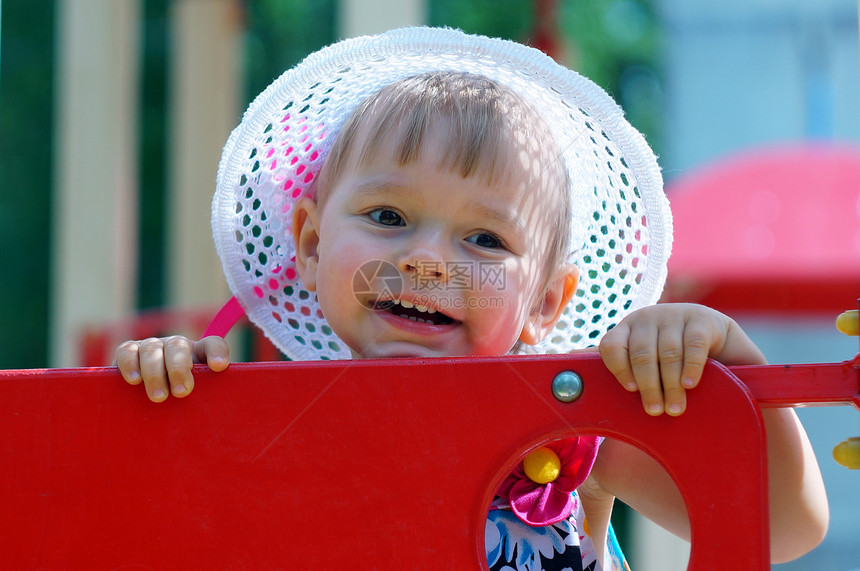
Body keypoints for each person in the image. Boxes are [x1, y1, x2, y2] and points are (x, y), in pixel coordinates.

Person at [115, 27, 828, 570]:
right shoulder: (265, 419)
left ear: (547, 300)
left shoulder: (572, 415)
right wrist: (170, 407)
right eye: (388, 217)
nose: (424, 260)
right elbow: (142, 524)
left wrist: (731, 362)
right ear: (308, 244)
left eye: (484, 239)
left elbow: (781, 528)